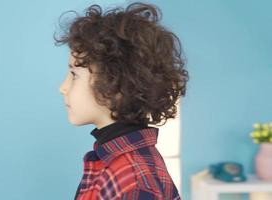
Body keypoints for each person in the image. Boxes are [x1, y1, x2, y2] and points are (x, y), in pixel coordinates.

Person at [55, 2, 188, 199]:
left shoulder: (135, 183)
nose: (62, 87)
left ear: (115, 85)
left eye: (74, 75)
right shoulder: (112, 160)